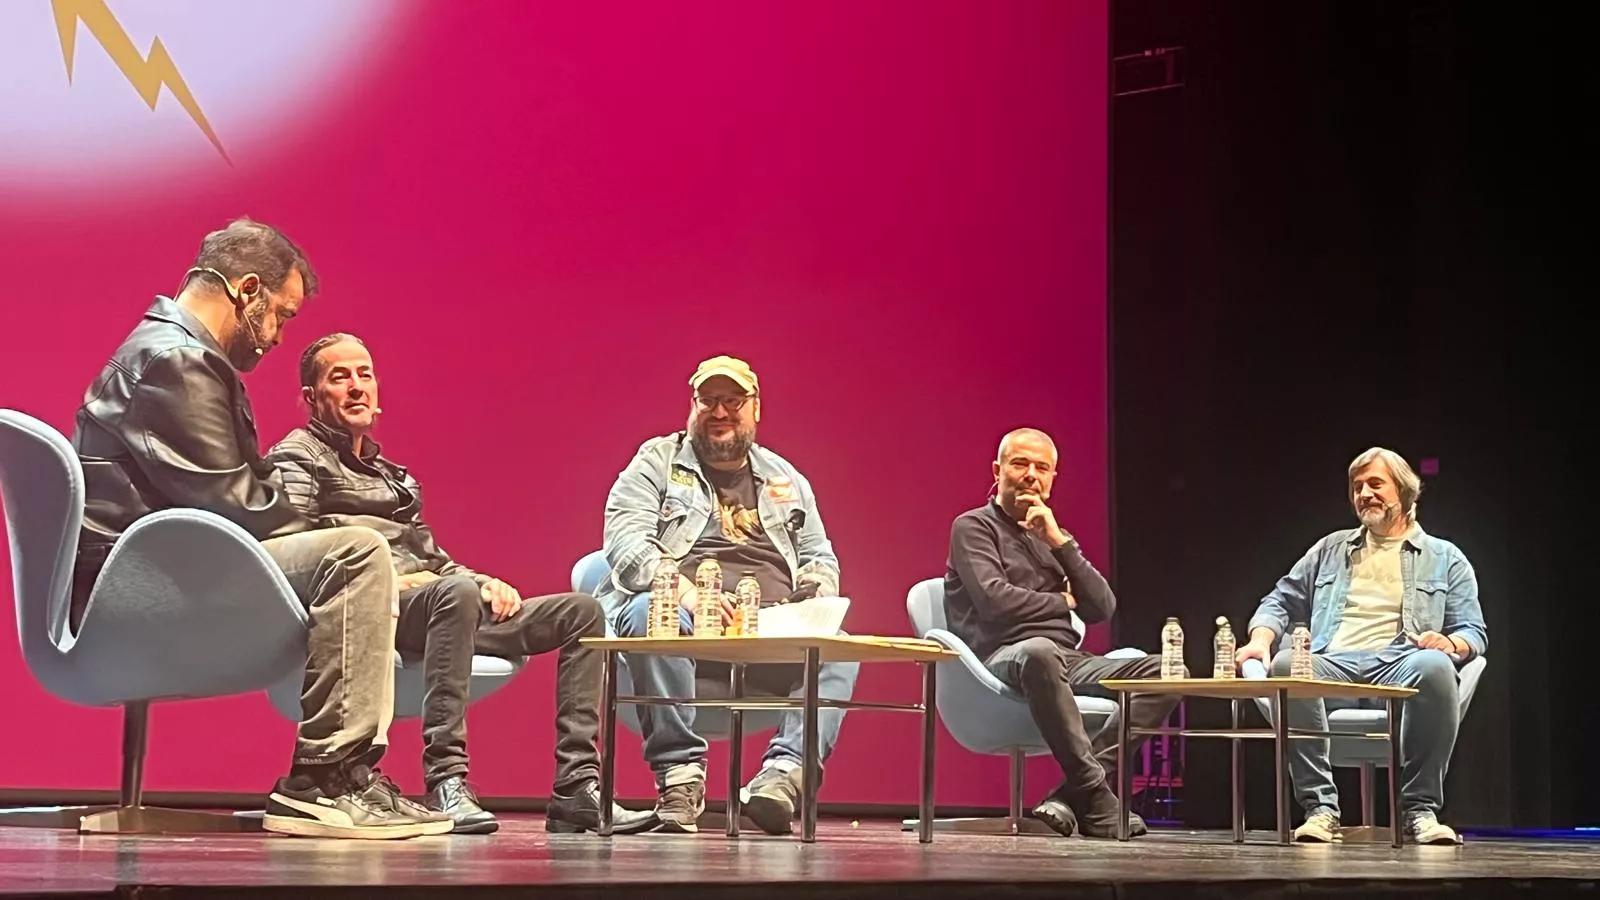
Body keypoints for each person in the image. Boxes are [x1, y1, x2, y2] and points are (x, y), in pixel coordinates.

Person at [69, 219, 450, 839]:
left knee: (358, 551)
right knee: (356, 554)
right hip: (137, 594)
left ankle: (344, 773)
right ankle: (327, 779)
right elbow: (236, 505)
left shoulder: (172, 351)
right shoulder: (175, 361)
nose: (277, 336)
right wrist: (362, 542)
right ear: (247, 291)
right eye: (281, 315)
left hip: (153, 574)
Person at [265, 334, 656, 836]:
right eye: (339, 377)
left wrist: (482, 580)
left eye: (364, 374)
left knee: (581, 611)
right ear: (312, 396)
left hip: (442, 606)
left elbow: (438, 561)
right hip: (370, 609)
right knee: (456, 595)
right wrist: (402, 577)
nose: (357, 387)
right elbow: (298, 543)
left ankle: (577, 789)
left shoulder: (394, 477)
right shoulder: (299, 455)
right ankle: (446, 779)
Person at [596, 355, 859, 835]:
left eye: (732, 401)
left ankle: (782, 778)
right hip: (687, 616)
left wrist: (812, 596)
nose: (719, 412)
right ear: (692, 405)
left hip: (770, 627)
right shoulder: (655, 462)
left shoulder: (785, 478)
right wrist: (691, 596)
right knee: (650, 611)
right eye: (708, 400)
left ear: (756, 408)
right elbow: (626, 545)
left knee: (840, 646)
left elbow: (820, 554)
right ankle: (680, 778)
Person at [1236, 446, 1486, 845]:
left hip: (1401, 660)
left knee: (1436, 666)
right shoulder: (1331, 549)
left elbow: (1474, 631)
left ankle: (1419, 811)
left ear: (1404, 491)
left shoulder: (1445, 557)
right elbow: (1280, 599)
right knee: (1286, 665)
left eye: (1375, 484)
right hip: (1332, 660)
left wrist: (1451, 642)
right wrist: (1260, 639)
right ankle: (1320, 810)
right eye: (1357, 487)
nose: (1364, 494)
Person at [943, 427, 1175, 838]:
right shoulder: (973, 527)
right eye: (1020, 464)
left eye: (1042, 467)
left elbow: (1102, 606)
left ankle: (1077, 794)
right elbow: (996, 603)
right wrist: (1064, 602)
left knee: (1169, 673)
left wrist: (1059, 541)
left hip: (1066, 659)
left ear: (1052, 479)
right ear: (997, 471)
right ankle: (1098, 797)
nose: (1031, 474)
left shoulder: (1051, 536)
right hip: (1001, 657)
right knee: (1038, 651)